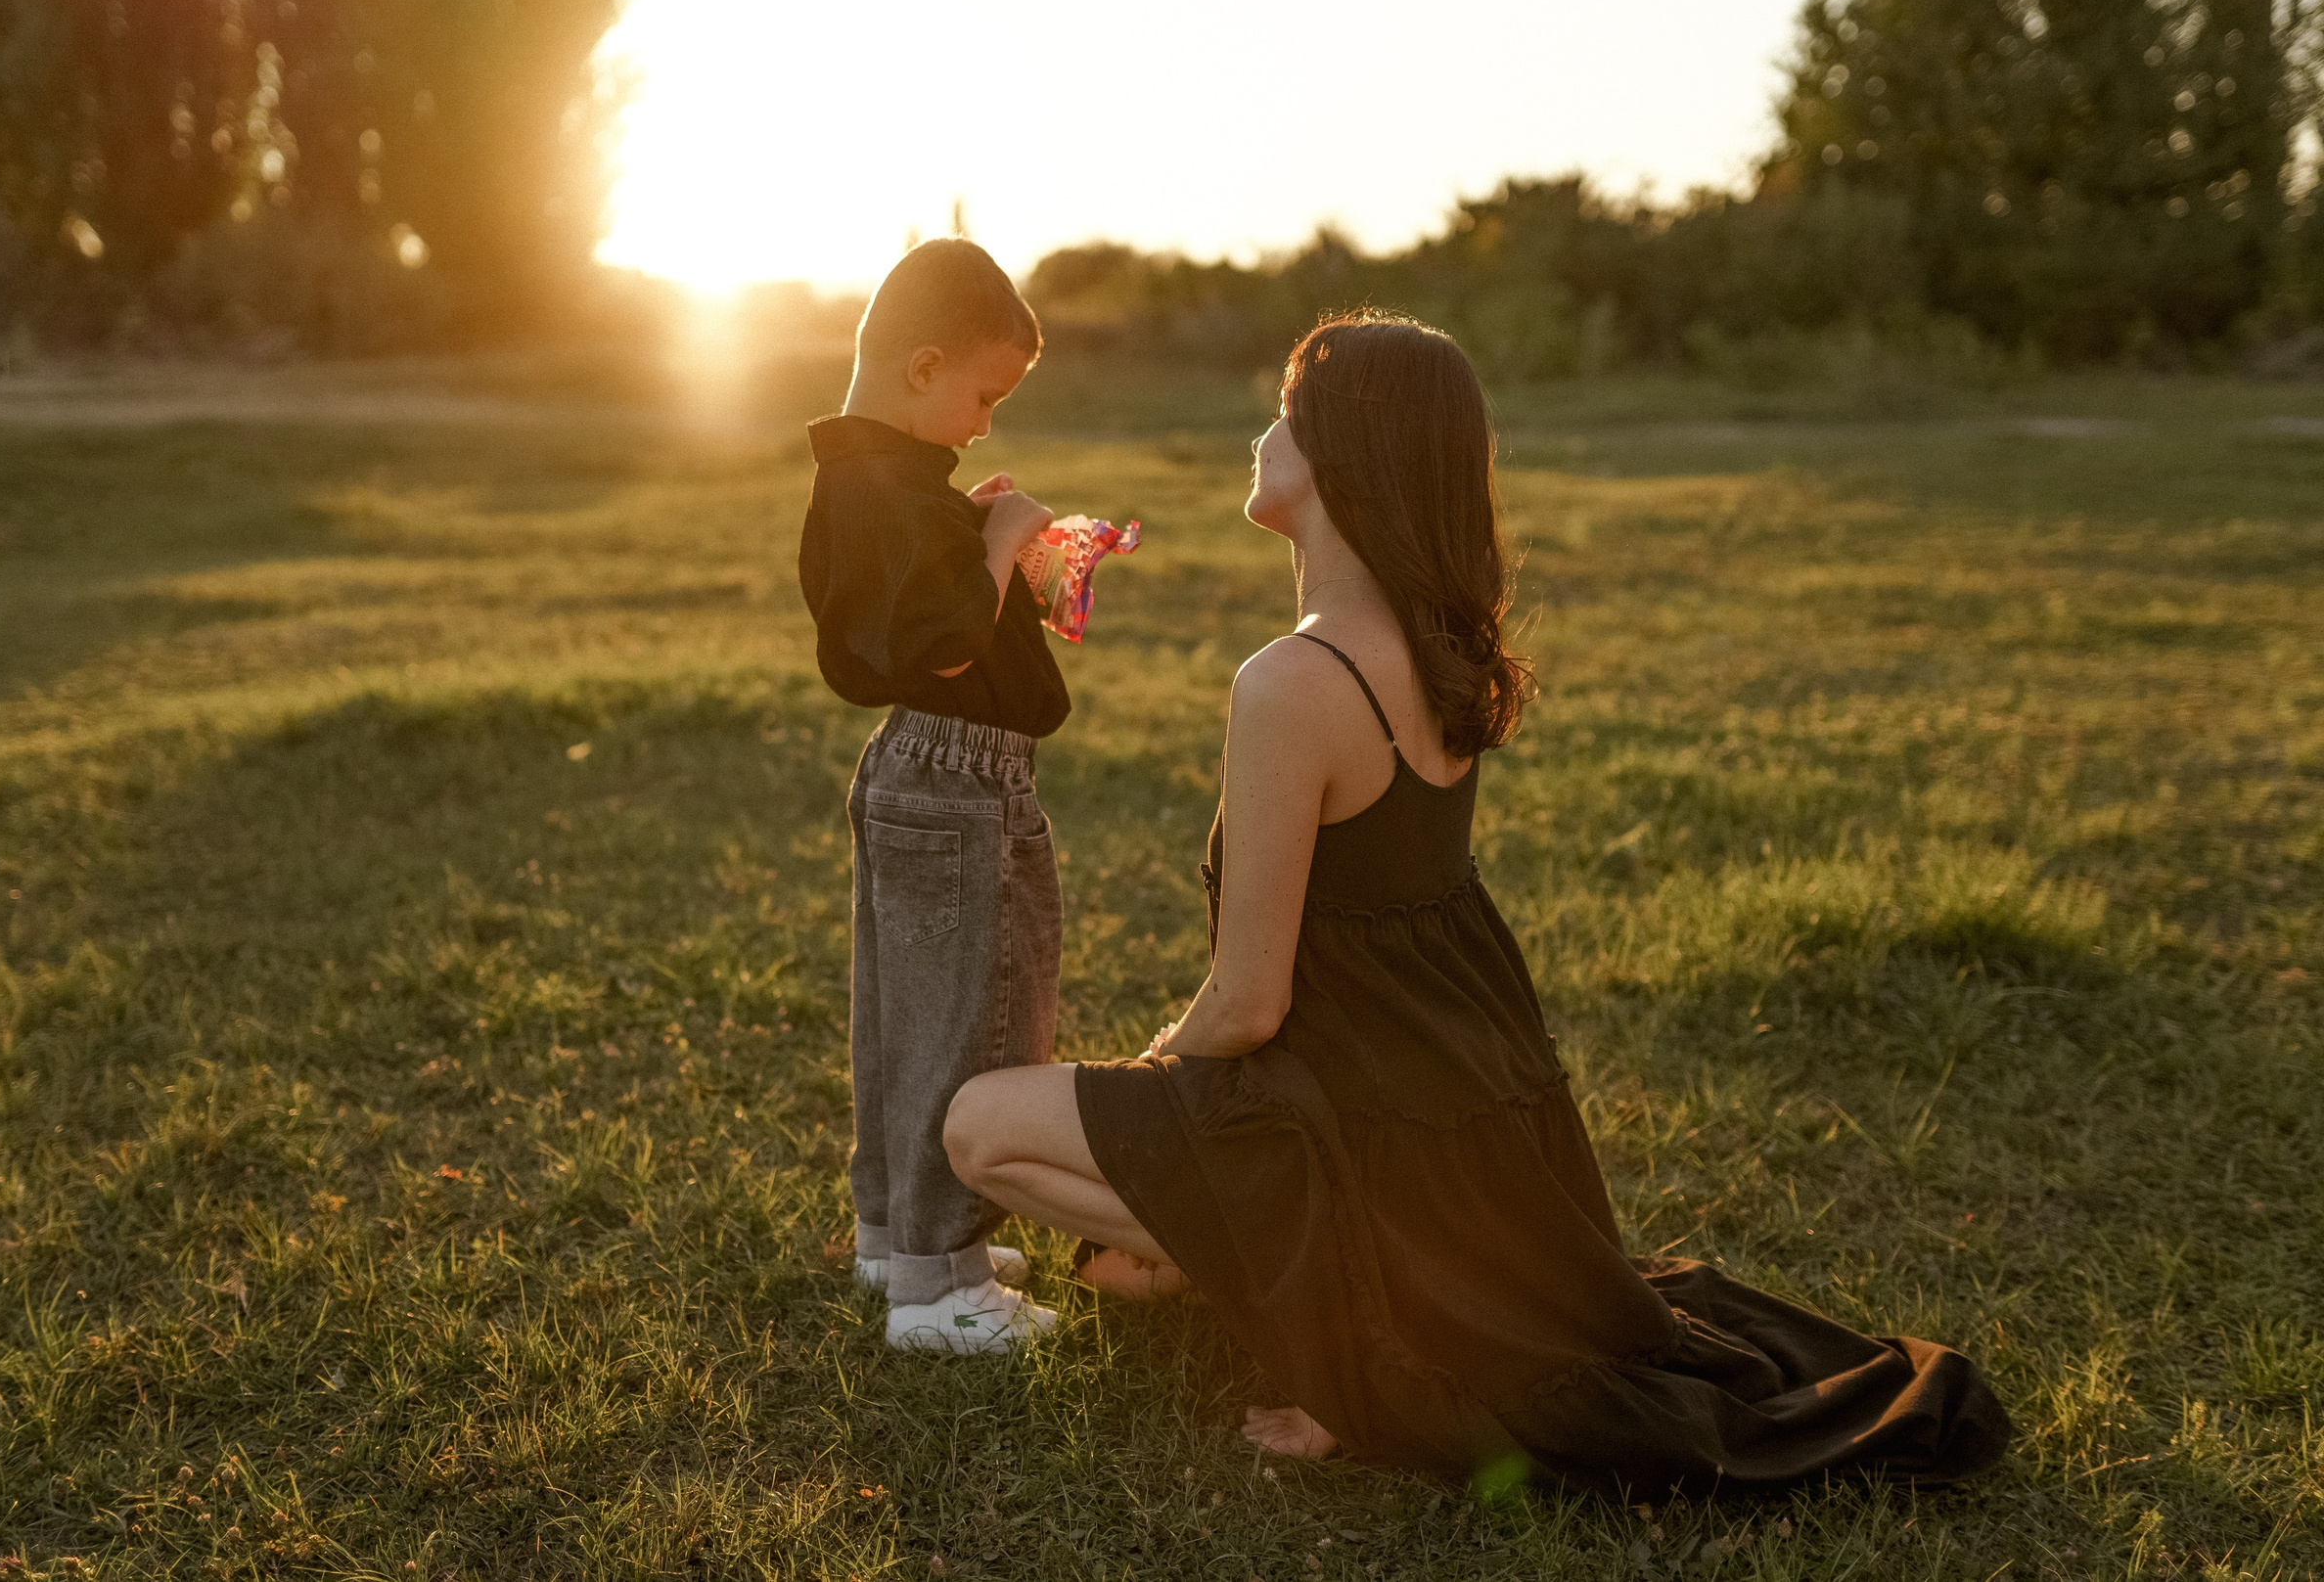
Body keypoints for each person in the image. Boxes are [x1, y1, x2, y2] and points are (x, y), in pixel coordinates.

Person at [942, 311, 2011, 1492]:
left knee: (980, 1126)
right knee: (1114, 1271)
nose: (1262, 433)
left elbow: (1247, 1004)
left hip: (1343, 1108)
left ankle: (1349, 1326)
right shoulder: (1436, 641)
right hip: (1453, 1093)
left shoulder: (1293, 680)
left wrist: (1151, 1076)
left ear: (1345, 453)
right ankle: (1278, 1259)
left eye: (1289, 414)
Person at [800, 239, 1068, 1354]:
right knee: (970, 1017)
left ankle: (894, 1234)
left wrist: (986, 540)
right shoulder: (891, 497)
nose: (984, 423)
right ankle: (942, 1283)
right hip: (954, 779)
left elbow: (936, 614)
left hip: (921, 769)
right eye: (982, 394)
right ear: (922, 365)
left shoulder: (881, 485)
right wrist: (998, 541)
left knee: (905, 1018)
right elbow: (947, 645)